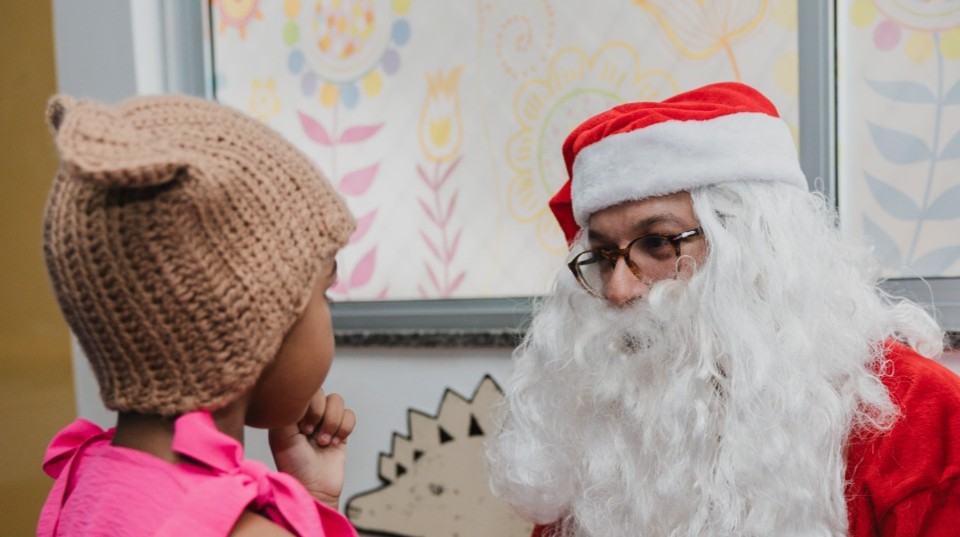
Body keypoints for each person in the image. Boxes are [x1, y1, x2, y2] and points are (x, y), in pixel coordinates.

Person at [485, 82, 960, 536]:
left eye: (658, 243)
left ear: (755, 246)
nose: (618, 290)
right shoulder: (601, 413)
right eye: (604, 254)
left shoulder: (920, 415)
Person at [37, 93, 359, 536]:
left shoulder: (86, 480)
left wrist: (312, 501)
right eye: (325, 295)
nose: (328, 317)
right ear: (253, 323)